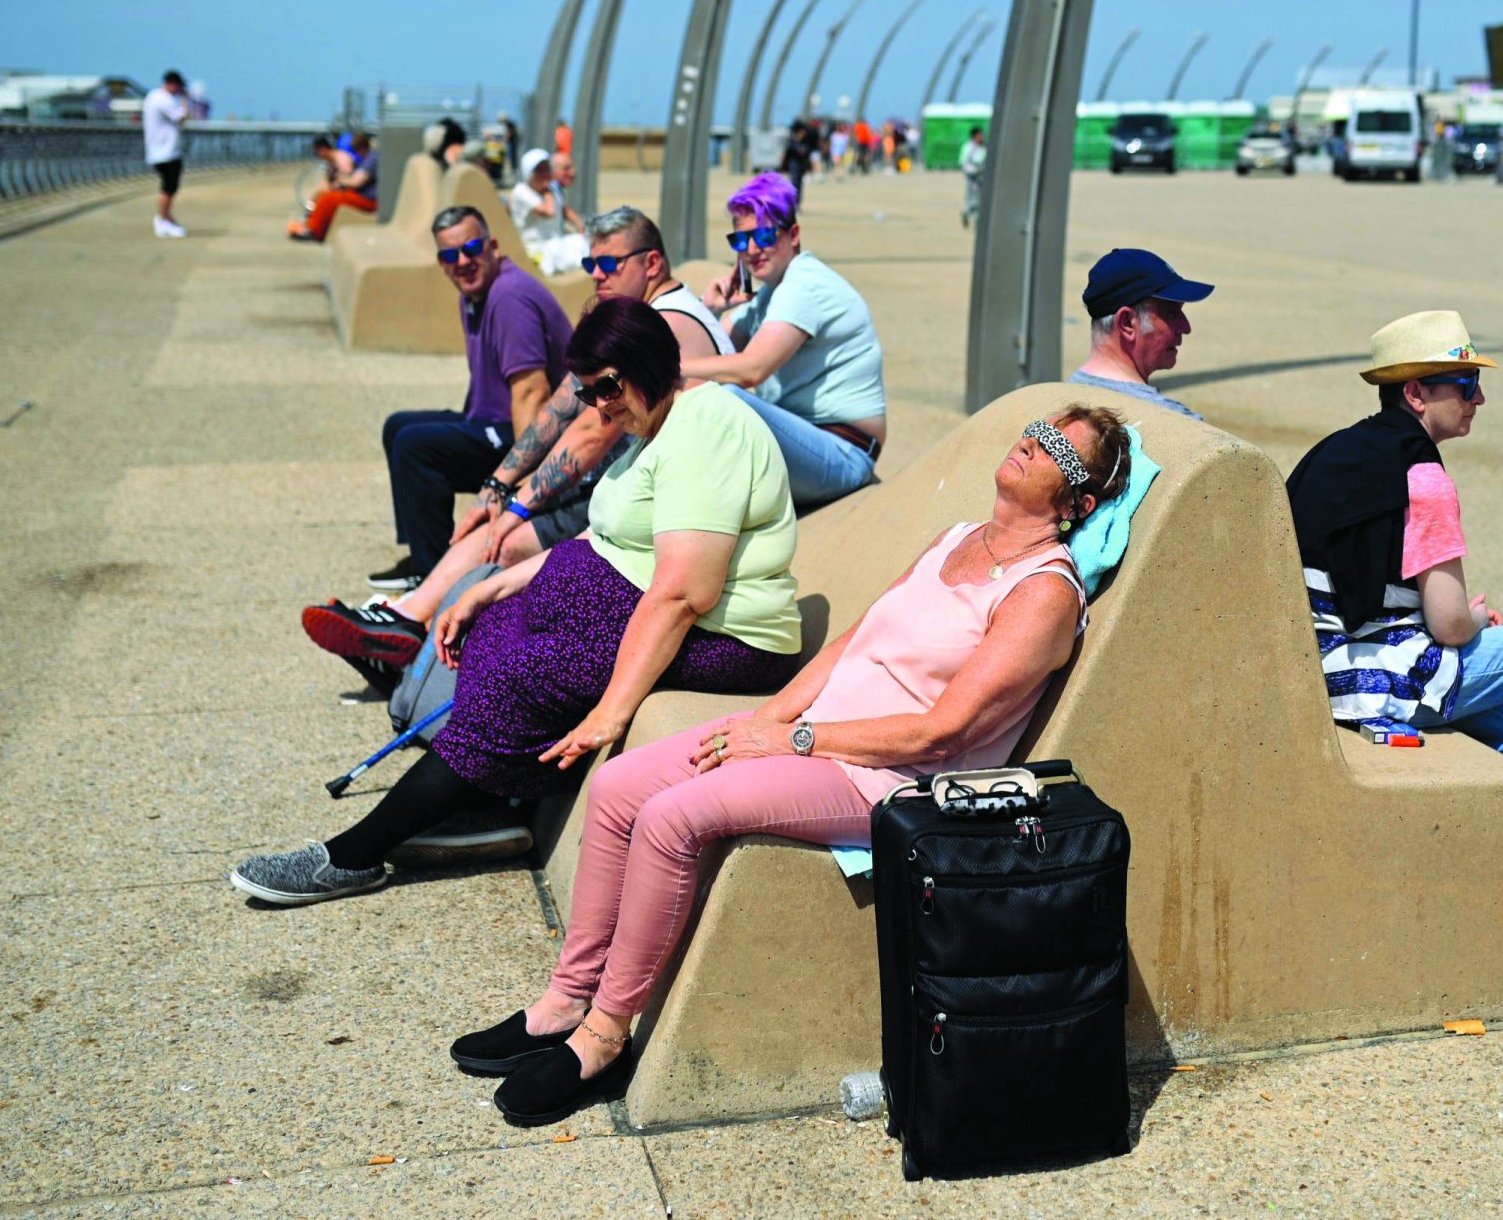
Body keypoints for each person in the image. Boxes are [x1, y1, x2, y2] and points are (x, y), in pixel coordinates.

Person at [447, 405, 1135, 1126]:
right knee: (619, 786)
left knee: (671, 817)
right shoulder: (957, 538)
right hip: (818, 732)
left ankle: (604, 1034)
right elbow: (852, 643)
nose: (1031, 440)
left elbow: (943, 730)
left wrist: (798, 741)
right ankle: (565, 999)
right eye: (1036, 426)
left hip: (886, 778)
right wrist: (767, 719)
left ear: (1077, 503)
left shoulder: (1044, 593)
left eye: (1056, 444)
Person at [232, 299, 804, 901]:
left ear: (651, 362)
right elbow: (608, 535)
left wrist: (612, 710)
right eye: (588, 395)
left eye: (608, 386)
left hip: (728, 640)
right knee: (496, 627)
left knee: (522, 673)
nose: (601, 405)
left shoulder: (705, 427)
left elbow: (685, 593)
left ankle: (355, 853)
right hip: (650, 610)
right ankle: (491, 798)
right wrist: (495, 583)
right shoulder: (653, 425)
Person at [1286, 311, 1503, 914]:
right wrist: (1472, 616)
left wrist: (1452, 617)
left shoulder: (1334, 452)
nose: (1480, 398)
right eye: (1465, 385)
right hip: (1367, 680)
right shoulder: (1423, 472)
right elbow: (1448, 625)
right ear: (1416, 392)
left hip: (1313, 659)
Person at [302, 207, 734, 678]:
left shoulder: (661, 327)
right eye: (591, 264)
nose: (595, 276)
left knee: (505, 541)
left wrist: (516, 507)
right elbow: (561, 406)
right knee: (491, 511)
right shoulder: (640, 318)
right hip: (627, 476)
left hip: (662, 496)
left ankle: (413, 633)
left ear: (651, 264)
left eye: (608, 265)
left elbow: (593, 432)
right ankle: (410, 620)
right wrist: (498, 485)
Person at [370, 207, 567, 593]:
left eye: (472, 248)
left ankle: (431, 579)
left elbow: (533, 392)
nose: (463, 262)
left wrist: (523, 486)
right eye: (449, 255)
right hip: (490, 422)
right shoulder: (474, 295)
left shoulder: (510, 297)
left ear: (493, 246)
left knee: (417, 447)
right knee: (399, 427)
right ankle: (422, 556)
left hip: (533, 439)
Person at [684, 173, 885, 512]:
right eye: (740, 240)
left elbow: (751, 370)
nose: (750, 249)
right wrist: (714, 308)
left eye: (762, 235)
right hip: (809, 445)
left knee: (728, 401)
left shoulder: (803, 285)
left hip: (843, 453)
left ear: (793, 235)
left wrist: (668, 367)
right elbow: (718, 352)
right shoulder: (773, 293)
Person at [1066, 248, 1213, 421]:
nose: (1186, 327)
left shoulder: (1055, 401)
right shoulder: (1179, 424)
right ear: (1127, 322)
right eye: (1171, 314)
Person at [509, 148, 587, 275]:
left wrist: (579, 224)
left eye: (547, 169)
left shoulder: (551, 189)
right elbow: (549, 212)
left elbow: (563, 208)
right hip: (536, 250)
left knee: (584, 243)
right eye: (539, 170)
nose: (545, 173)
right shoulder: (522, 191)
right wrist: (548, 192)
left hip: (555, 243)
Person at [290, 133, 377, 241]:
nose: (354, 154)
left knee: (328, 199)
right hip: (361, 195)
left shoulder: (371, 159)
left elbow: (356, 181)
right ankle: (309, 226)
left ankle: (314, 231)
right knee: (325, 197)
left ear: (361, 147)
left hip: (368, 200)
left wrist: (341, 181)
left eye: (355, 150)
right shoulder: (367, 158)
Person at [143, 69, 189, 238]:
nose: (179, 90)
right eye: (179, 87)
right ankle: (163, 220)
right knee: (169, 187)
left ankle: (165, 218)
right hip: (164, 151)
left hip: (161, 150)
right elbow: (182, 117)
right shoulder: (163, 99)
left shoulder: (153, 96)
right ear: (172, 84)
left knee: (169, 186)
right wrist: (185, 99)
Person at [958, 126, 986, 228]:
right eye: (979, 135)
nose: (981, 137)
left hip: (983, 176)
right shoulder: (968, 147)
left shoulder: (983, 147)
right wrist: (974, 170)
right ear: (974, 136)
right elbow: (963, 162)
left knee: (981, 200)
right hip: (973, 178)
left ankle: (977, 222)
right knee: (974, 200)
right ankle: (967, 213)